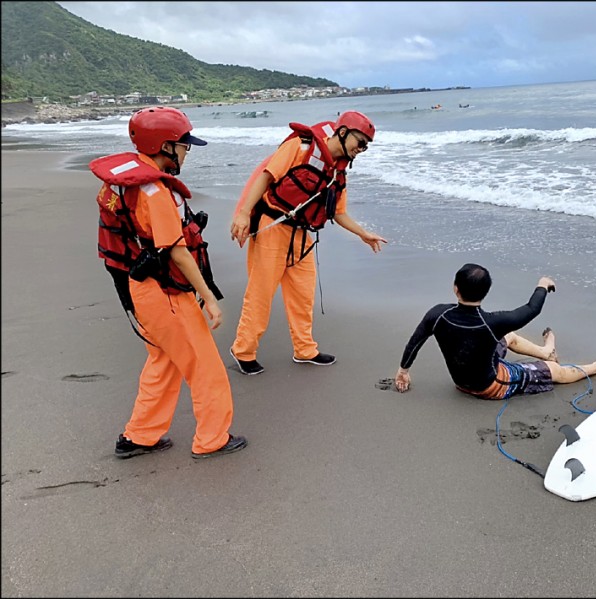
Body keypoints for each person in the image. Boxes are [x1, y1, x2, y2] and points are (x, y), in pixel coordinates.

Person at [89, 106, 247, 459]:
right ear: (164, 146)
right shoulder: (156, 192)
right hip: (164, 292)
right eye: (183, 146)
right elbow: (177, 252)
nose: (186, 152)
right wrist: (209, 296)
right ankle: (212, 439)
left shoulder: (124, 180)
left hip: (138, 287)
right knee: (204, 366)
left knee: (165, 360)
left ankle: (139, 436)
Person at [229, 111, 387, 375]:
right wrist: (244, 214)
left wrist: (363, 233)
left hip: (301, 236)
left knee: (303, 296)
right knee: (260, 296)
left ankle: (305, 350)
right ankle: (243, 351)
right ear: (344, 132)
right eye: (360, 143)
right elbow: (266, 177)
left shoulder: (338, 172)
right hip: (273, 227)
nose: (362, 150)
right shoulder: (300, 147)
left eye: (366, 146)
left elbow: (338, 212)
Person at [394, 263, 596, 399]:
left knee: (509, 337)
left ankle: (546, 352)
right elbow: (531, 309)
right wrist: (542, 284)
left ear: (455, 289)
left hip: (461, 379)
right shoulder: (492, 322)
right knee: (555, 371)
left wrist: (403, 370)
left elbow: (415, 341)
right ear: (486, 293)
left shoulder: (438, 314)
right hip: (490, 385)